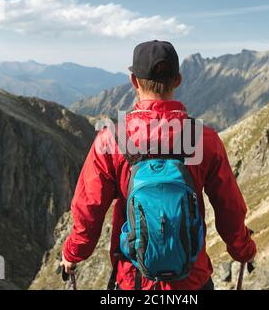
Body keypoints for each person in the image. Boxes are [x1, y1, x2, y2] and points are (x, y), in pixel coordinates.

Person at [60, 40, 256, 290]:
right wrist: (244, 250)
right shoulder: (204, 139)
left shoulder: (112, 140)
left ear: (133, 81)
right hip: (192, 280)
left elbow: (89, 211)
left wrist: (72, 254)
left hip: (134, 279)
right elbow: (230, 210)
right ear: (178, 80)